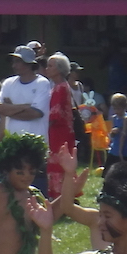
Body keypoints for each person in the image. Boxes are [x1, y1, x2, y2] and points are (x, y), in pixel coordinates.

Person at [0, 45, 51, 193]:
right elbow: (0, 108)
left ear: (28, 64)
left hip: (35, 144)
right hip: (12, 143)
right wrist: (25, 106)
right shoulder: (8, 83)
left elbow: (36, 113)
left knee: (36, 188)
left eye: (18, 61)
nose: (14, 65)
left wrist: (11, 109)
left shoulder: (42, 83)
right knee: (9, 187)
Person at [43, 53, 77, 201]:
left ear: (59, 69)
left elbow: (54, 114)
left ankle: (58, 196)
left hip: (58, 131)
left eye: (50, 66)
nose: (47, 69)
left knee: (57, 163)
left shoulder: (59, 88)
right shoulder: (62, 86)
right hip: (63, 131)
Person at [108, 93, 127, 166]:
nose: (116, 111)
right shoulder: (114, 118)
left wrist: (120, 152)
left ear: (124, 107)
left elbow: (123, 136)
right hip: (114, 148)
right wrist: (112, 132)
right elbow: (111, 135)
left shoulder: (126, 118)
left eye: (118, 109)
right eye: (114, 109)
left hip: (123, 149)